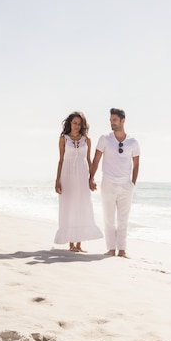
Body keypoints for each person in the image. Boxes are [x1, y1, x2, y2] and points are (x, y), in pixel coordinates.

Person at [89, 108, 140, 258]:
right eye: (111, 120)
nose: (112, 123)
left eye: (115, 120)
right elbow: (96, 160)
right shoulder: (105, 139)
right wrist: (91, 178)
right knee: (109, 218)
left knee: (123, 218)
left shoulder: (133, 142)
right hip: (108, 183)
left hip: (125, 185)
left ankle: (122, 250)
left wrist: (132, 184)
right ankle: (111, 249)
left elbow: (136, 164)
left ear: (123, 121)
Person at [54, 111, 103, 252]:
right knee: (68, 206)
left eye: (79, 124)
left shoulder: (86, 139)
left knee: (82, 205)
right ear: (69, 123)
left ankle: (79, 244)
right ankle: (71, 243)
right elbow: (61, 160)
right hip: (67, 175)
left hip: (82, 175)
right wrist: (57, 180)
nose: (76, 126)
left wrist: (91, 178)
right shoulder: (64, 139)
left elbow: (89, 160)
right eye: (74, 123)